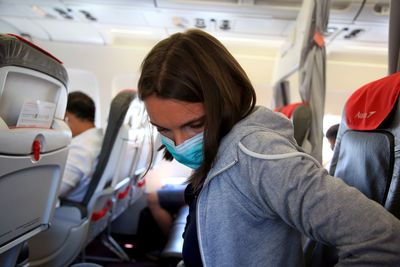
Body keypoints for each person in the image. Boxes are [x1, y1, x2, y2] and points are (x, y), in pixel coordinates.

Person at [137, 29, 400, 266]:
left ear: (225, 101)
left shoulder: (259, 154)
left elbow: (385, 242)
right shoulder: (220, 150)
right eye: (163, 129)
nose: (179, 143)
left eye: (195, 124)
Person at [59, 91, 103, 202]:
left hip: (67, 207)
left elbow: (56, 190)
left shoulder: (80, 148)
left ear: (67, 117)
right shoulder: (98, 138)